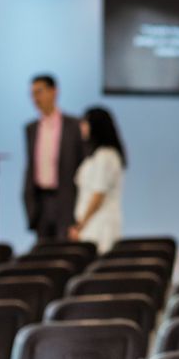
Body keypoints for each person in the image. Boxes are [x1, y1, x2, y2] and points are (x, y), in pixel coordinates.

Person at [24, 74, 83, 241]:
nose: (36, 98)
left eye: (39, 92)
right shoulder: (31, 128)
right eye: (32, 94)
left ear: (53, 91)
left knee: (66, 247)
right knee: (43, 248)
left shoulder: (74, 125)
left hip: (66, 198)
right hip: (41, 201)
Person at [68, 107, 126, 253]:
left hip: (99, 225)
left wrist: (80, 225)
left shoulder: (105, 156)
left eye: (85, 123)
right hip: (92, 224)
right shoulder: (97, 156)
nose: (82, 127)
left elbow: (98, 194)